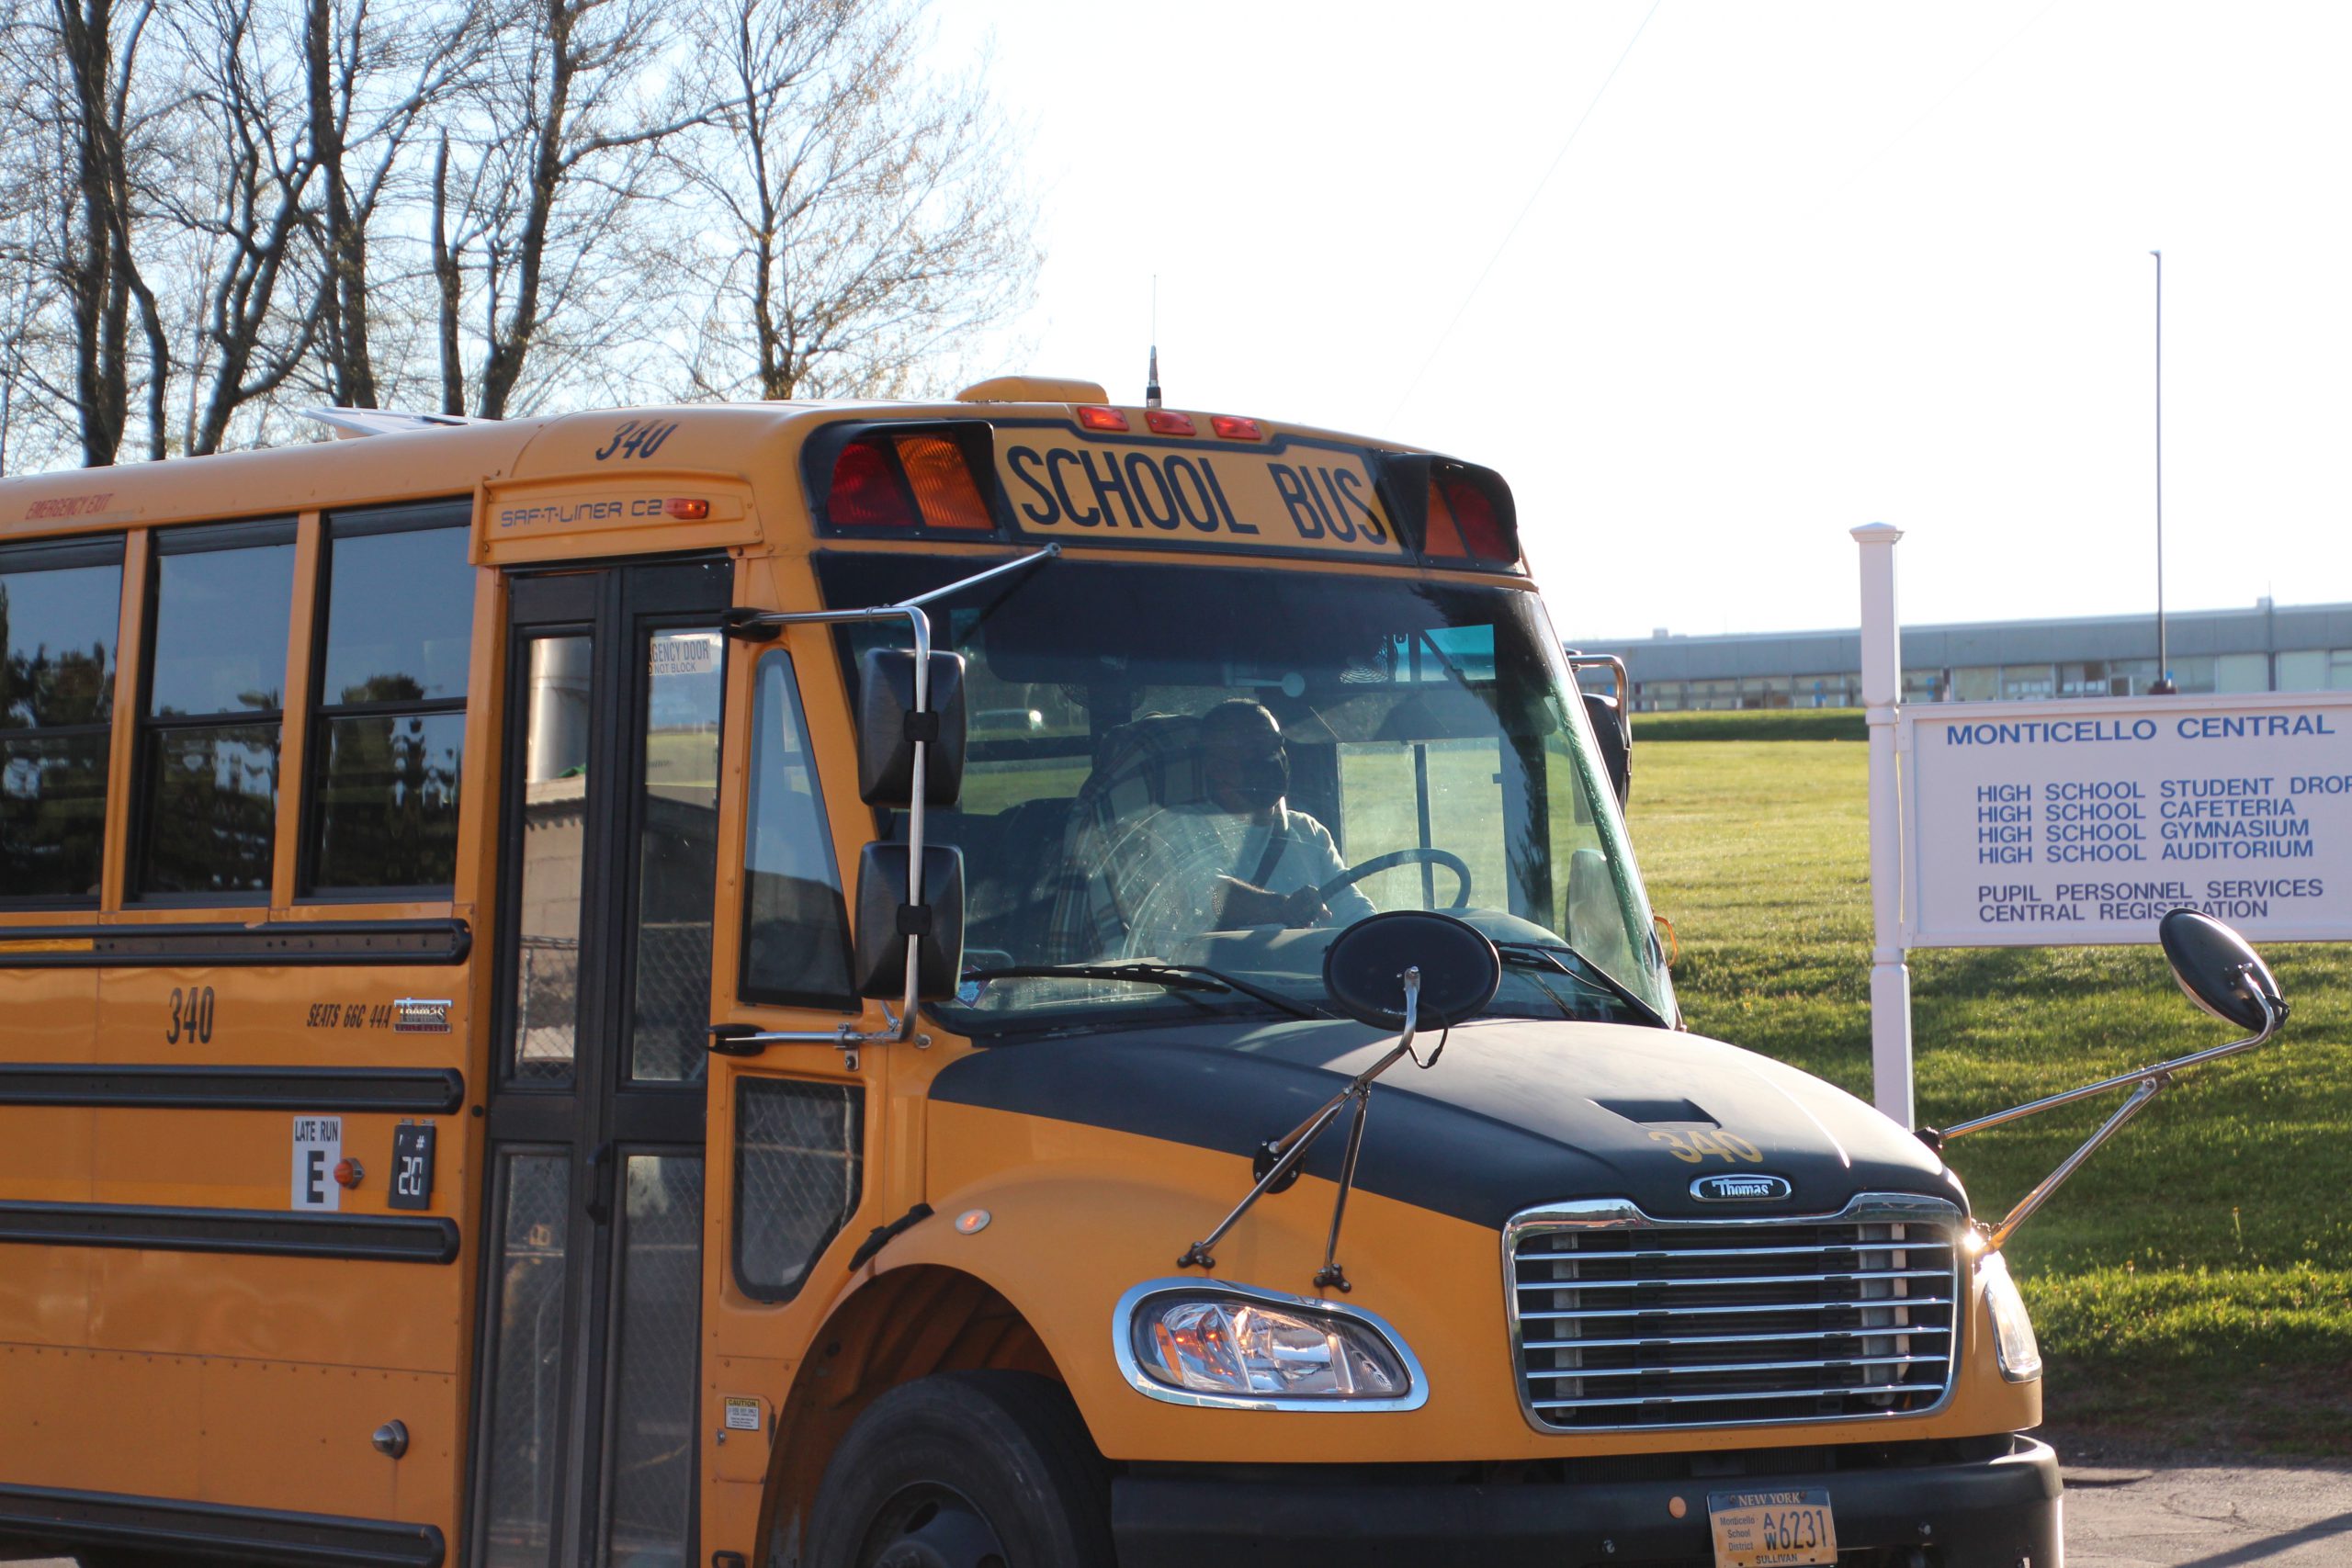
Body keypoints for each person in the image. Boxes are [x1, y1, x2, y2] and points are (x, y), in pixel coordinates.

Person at [1091, 699, 1376, 953]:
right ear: (1214, 767)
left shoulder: (1308, 832)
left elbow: (1351, 909)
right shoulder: (1174, 826)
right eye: (1255, 752)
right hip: (1215, 1002)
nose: (1273, 761)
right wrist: (1282, 907)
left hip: (1303, 997)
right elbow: (1206, 897)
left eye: (1276, 747)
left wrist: (1385, 939)